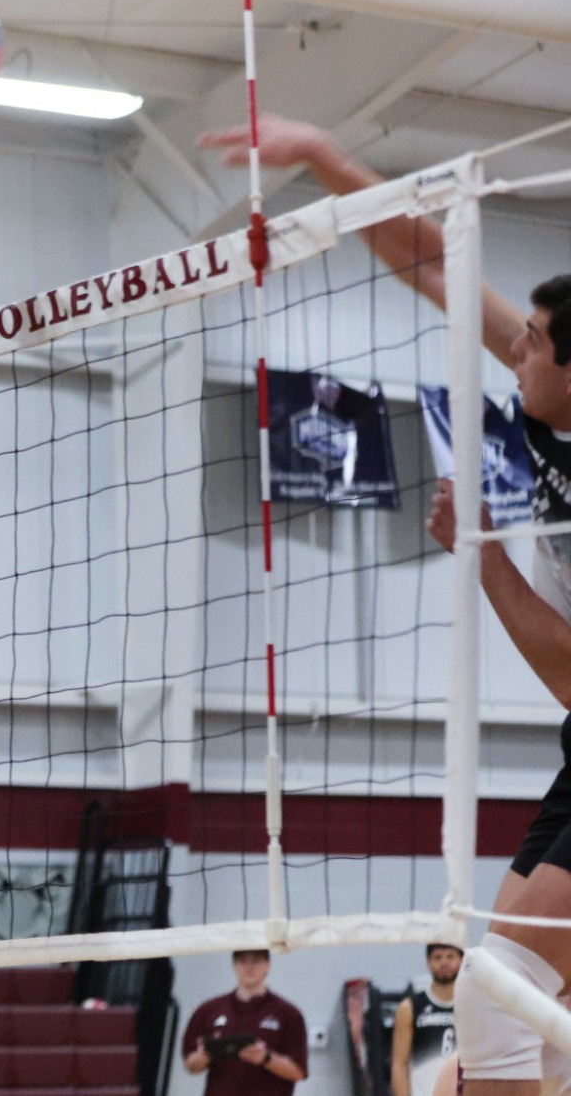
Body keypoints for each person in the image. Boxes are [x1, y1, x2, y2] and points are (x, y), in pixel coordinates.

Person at [198, 114, 571, 1096]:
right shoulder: (548, 400)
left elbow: (570, 674)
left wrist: (479, 554)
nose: (512, 350)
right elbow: (433, 269)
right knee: (495, 1006)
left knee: (503, 998)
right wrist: (324, 156)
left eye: (530, 344)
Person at [181, 950, 309, 1096]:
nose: (249, 967)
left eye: (255, 961)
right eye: (243, 961)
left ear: (268, 965)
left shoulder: (288, 1014)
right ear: (234, 965)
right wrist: (202, 1057)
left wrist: (266, 1058)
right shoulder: (208, 1010)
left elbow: (299, 1071)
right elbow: (190, 1065)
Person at [394, 945, 464, 1096]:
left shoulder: (473, 1006)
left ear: (462, 960)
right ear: (428, 963)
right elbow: (399, 1064)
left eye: (450, 956)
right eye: (438, 957)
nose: (444, 962)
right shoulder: (410, 1007)